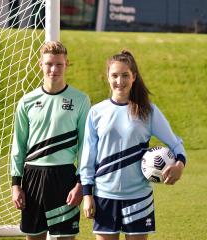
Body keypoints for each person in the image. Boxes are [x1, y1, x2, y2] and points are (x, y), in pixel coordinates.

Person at [80, 50, 186, 240]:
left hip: (139, 197)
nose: (119, 81)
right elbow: (88, 157)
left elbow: (176, 144)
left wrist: (179, 165)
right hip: (104, 196)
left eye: (125, 75)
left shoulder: (148, 111)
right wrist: (87, 195)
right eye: (114, 75)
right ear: (107, 77)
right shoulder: (97, 112)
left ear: (134, 77)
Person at [11, 41, 91, 240]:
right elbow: (18, 145)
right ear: (40, 64)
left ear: (67, 64)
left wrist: (80, 183)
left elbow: (86, 146)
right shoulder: (27, 101)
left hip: (64, 177)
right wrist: (15, 185)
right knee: (34, 237)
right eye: (49, 64)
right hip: (33, 177)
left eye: (59, 64)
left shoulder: (81, 100)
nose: (53, 69)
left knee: (65, 237)